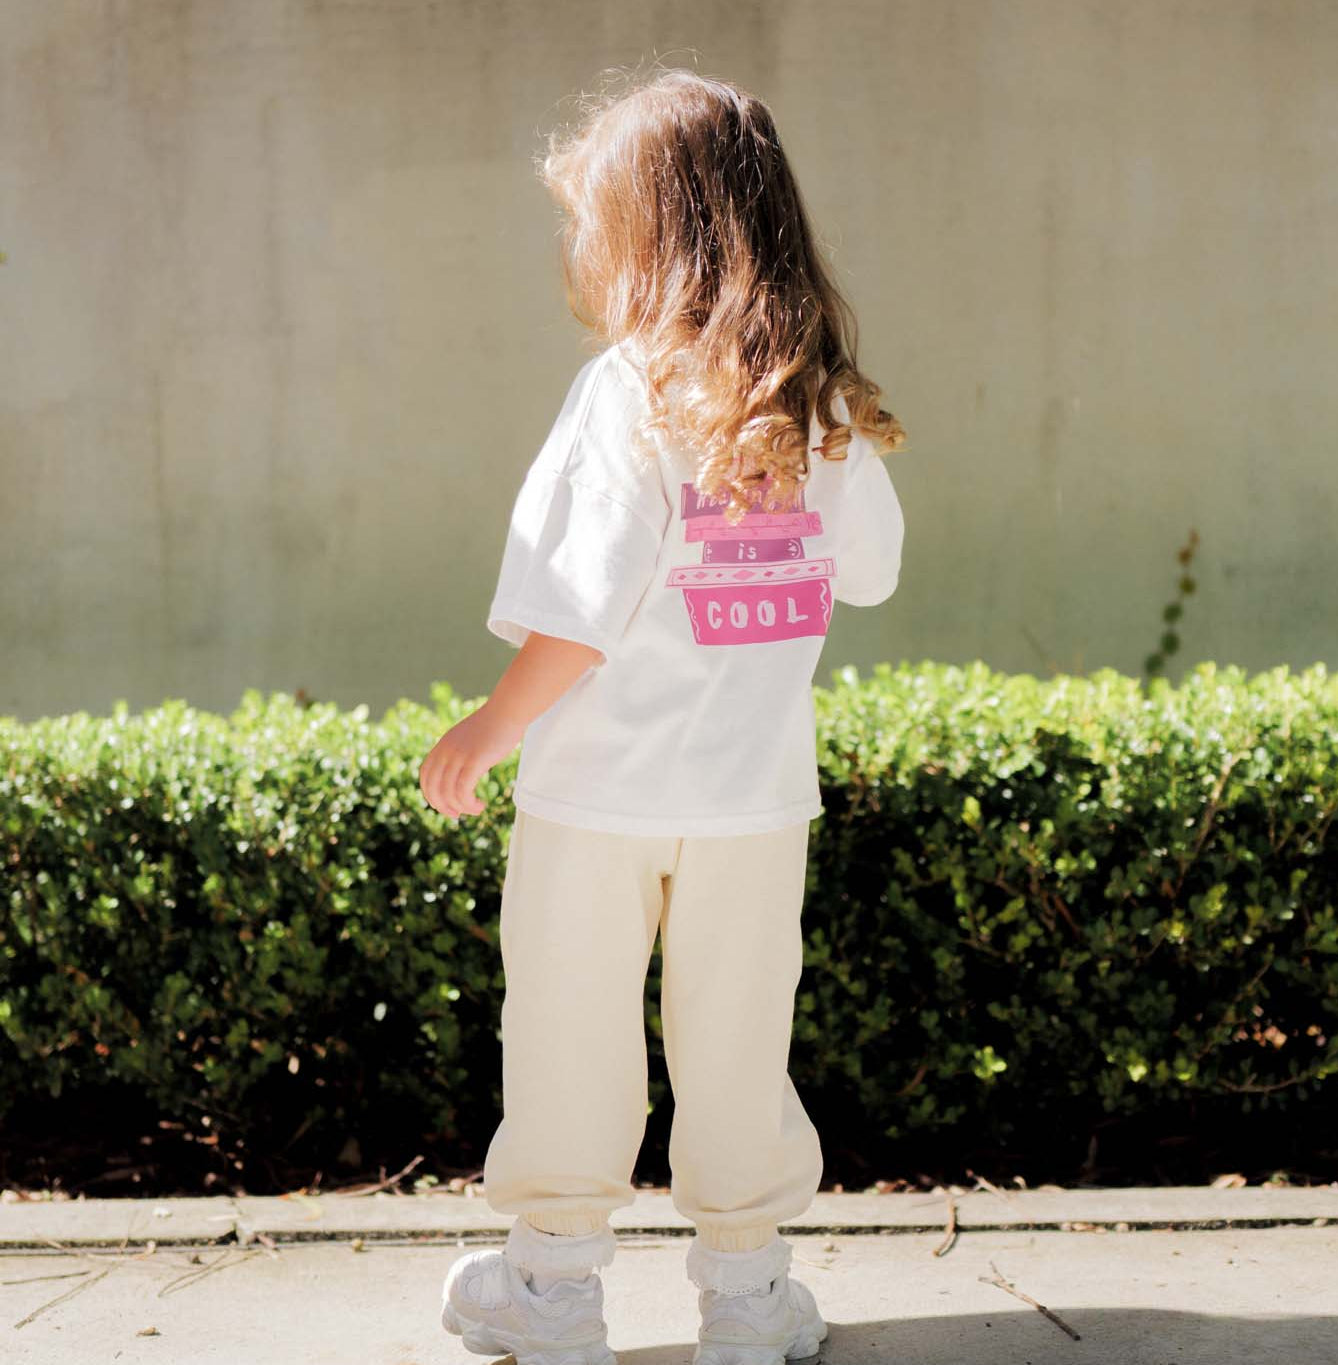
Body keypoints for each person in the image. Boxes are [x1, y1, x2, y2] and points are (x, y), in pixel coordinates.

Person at [420, 64, 906, 1365]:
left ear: (644, 235)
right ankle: (745, 1302)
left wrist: (487, 727)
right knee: (740, 1046)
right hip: (750, 800)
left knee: (571, 1032)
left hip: (596, 798)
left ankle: (554, 1290)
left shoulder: (626, 394)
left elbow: (576, 613)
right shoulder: (822, 406)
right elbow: (871, 569)